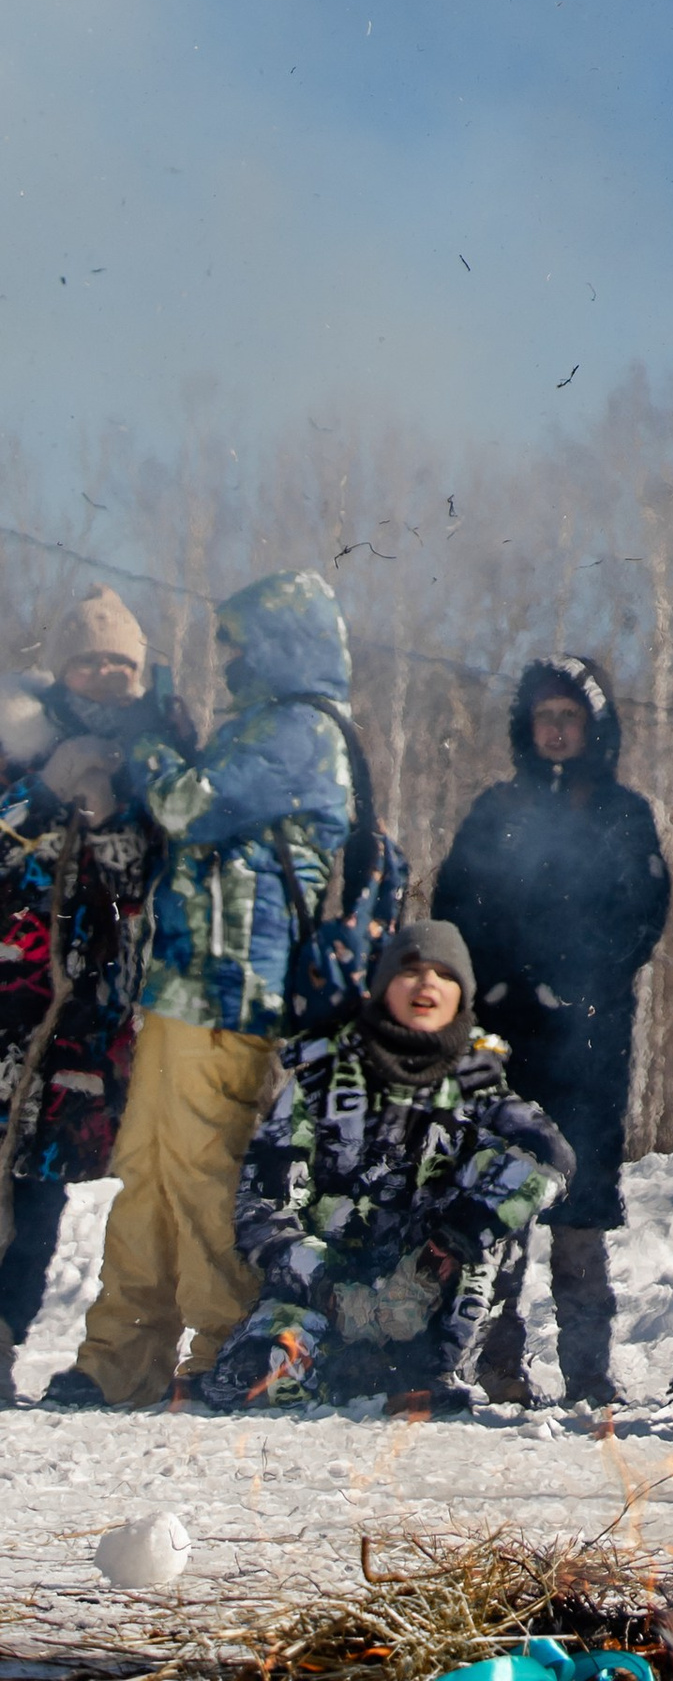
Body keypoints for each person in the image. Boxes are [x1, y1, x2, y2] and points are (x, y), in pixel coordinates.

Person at [47, 569, 355, 1413]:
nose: (226, 659)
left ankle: (226, 1349)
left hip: (229, 990)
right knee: (146, 1174)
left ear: (280, 643)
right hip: (185, 986)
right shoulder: (260, 725)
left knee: (201, 1175)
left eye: (237, 641)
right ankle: (119, 1360)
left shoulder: (298, 730)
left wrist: (148, 741)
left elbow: (188, 806)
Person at [196, 921, 571, 1415]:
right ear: (383, 986)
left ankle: (430, 1367)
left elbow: (553, 1158)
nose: (427, 984)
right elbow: (262, 1205)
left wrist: (448, 1244)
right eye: (411, 970)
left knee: (506, 1175)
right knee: (256, 1384)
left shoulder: (480, 1086)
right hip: (321, 1293)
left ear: (462, 994)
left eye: (443, 974)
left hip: (428, 1297)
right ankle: (333, 1366)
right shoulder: (322, 1079)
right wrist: (329, 1284)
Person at [433, 653, 671, 1408]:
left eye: (571, 716)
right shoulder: (495, 811)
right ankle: (497, 1364)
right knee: (502, 1202)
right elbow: (456, 905)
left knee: (580, 1206)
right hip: (505, 1035)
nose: (558, 730)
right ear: (525, 726)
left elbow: (643, 913)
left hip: (590, 1037)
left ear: (594, 726)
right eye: (546, 717)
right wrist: (499, 980)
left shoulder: (623, 813)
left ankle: (589, 1375)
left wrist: (580, 983)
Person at [0, 591, 194, 1403]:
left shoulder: (160, 755)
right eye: (91, 658)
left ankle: (5, 1341)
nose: (107, 673)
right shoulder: (18, 742)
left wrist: (115, 816)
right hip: (10, 1001)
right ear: (65, 666)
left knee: (41, 1195)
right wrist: (44, 793)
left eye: (123, 662)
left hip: (89, 1021)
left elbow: (150, 878)